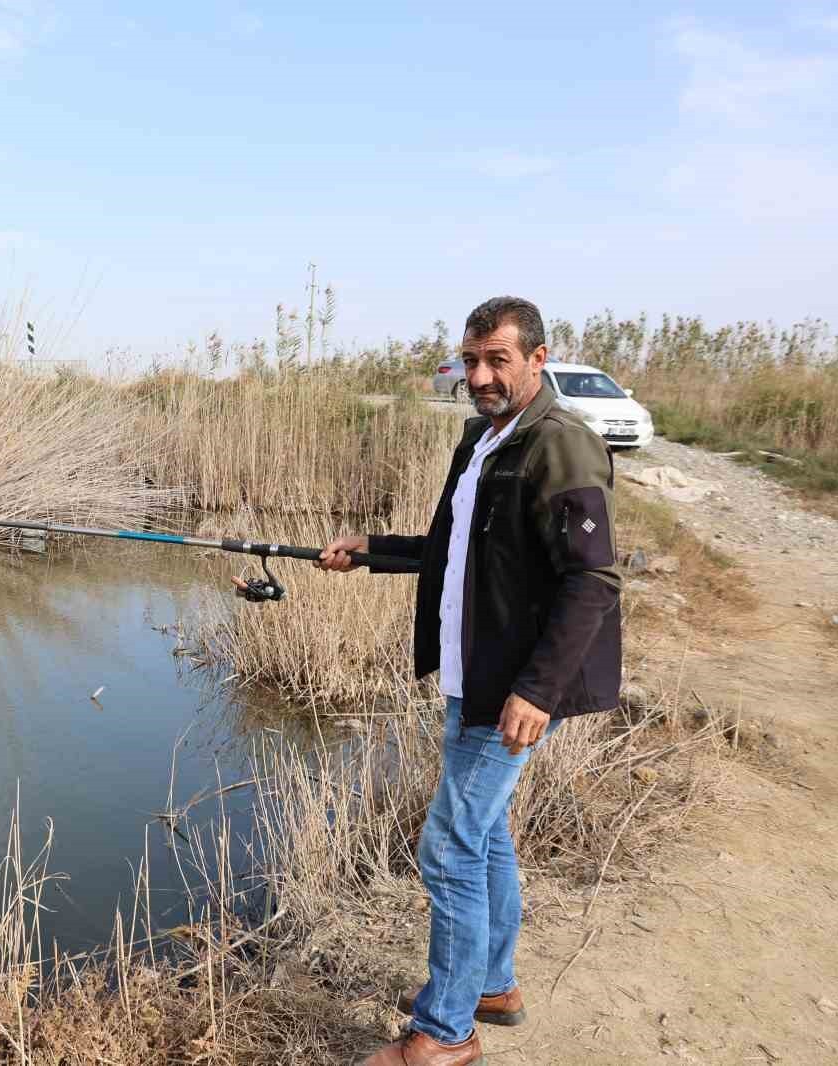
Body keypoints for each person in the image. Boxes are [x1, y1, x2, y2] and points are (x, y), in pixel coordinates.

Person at [322, 296, 623, 1066]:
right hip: (474, 671)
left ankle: (445, 1033)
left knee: (449, 847)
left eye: (498, 360)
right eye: (471, 359)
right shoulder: (483, 437)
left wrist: (539, 691)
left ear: (537, 359)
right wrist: (371, 551)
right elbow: (453, 548)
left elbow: (592, 581)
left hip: (516, 687)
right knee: (483, 835)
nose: (480, 374)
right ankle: (493, 985)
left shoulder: (564, 446)